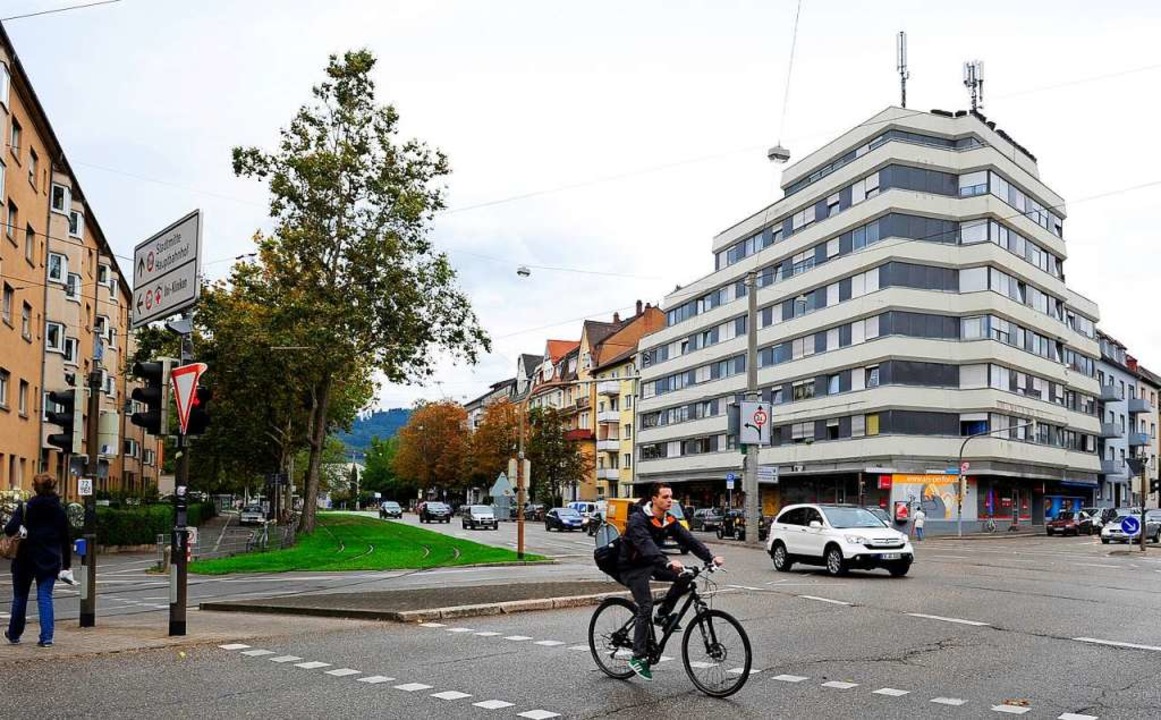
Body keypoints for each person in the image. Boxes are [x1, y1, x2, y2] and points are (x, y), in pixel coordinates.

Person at [616, 482, 722, 681]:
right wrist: (666, 563)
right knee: (645, 606)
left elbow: (689, 540)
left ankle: (663, 614)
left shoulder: (668, 520)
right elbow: (645, 545)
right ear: (654, 499)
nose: (669, 500)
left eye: (670, 496)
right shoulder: (638, 520)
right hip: (631, 566)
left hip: (651, 562)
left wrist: (709, 557)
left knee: (686, 575)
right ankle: (637, 657)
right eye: (665, 497)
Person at [4, 473, 73, 647]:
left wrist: (22, 526)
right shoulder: (59, 510)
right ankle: (47, 637)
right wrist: (66, 565)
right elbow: (65, 539)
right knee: (45, 596)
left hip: (24, 558)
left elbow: (9, 528)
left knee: (20, 597)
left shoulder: (26, 507)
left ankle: (14, 634)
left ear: (35, 487)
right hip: (49, 559)